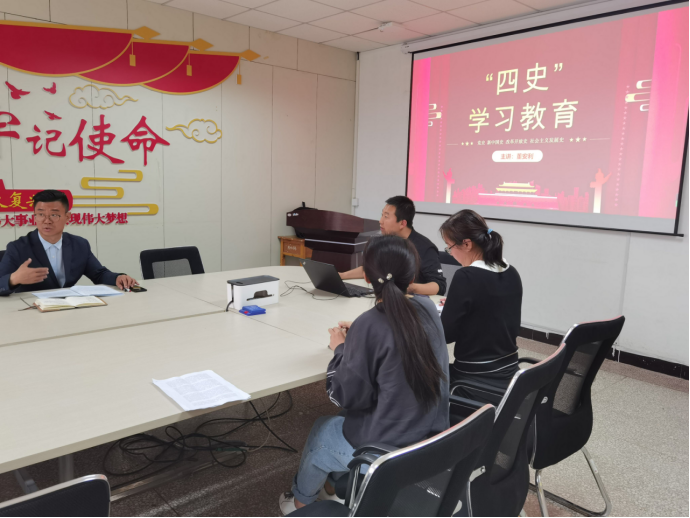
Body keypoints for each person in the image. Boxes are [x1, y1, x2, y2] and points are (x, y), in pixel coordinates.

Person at [279, 235, 450, 515]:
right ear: (412, 276)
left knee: (323, 428)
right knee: (346, 418)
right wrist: (360, 335)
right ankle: (331, 485)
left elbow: (345, 396)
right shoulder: (428, 307)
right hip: (432, 440)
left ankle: (300, 503)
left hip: (388, 453)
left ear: (367, 278)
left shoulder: (369, 324)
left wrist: (341, 348)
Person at [439, 210, 523, 403]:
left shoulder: (466, 276)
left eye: (449, 247)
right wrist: (456, 304)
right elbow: (492, 310)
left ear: (467, 244)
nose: (451, 254)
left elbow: (445, 334)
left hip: (472, 376)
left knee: (418, 376)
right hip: (508, 371)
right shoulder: (511, 272)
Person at [0, 190, 137, 296]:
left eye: (54, 215)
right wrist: (13, 279)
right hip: (32, 311)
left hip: (70, 309)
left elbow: (99, 274)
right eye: (40, 214)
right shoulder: (18, 248)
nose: (46, 221)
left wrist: (118, 277)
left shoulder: (79, 245)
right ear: (34, 216)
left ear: (67, 217)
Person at [340, 196, 446, 296]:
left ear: (402, 224)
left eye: (386, 217)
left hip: (413, 301)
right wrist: (342, 275)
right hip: (387, 296)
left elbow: (439, 286)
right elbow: (369, 267)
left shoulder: (425, 247)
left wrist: (409, 287)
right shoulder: (386, 242)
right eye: (382, 215)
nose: (380, 221)